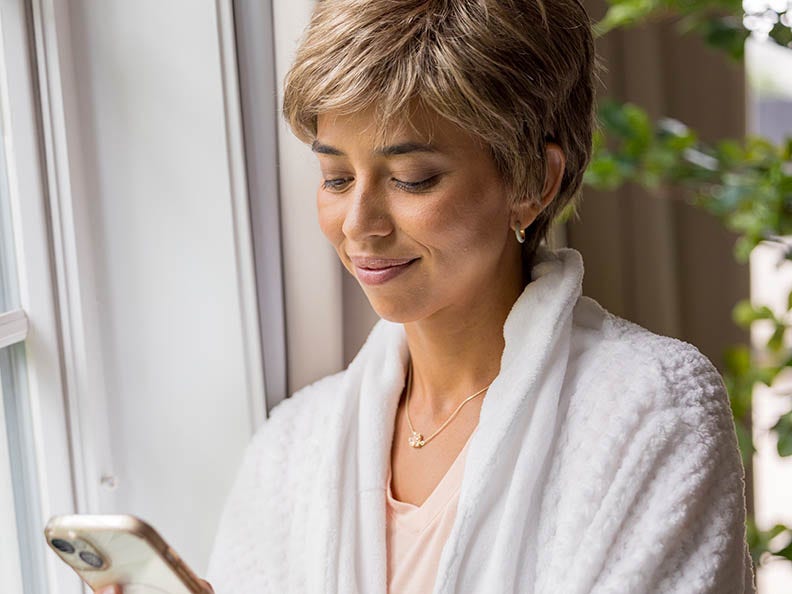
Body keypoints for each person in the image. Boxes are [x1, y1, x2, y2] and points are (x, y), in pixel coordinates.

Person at [98, 0, 754, 592]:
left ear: (534, 181)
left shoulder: (652, 413)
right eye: (335, 176)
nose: (358, 224)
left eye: (412, 179)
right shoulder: (293, 446)